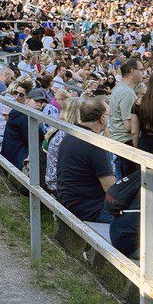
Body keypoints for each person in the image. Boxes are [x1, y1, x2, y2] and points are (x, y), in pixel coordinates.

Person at [56, 96, 115, 224]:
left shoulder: (70, 135)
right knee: (138, 220)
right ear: (102, 118)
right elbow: (110, 188)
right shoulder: (94, 144)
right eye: (109, 115)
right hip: (88, 208)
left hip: (67, 199)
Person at [108, 56, 143, 178]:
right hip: (126, 145)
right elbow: (129, 125)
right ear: (133, 71)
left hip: (120, 144)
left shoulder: (119, 88)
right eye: (141, 69)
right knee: (128, 190)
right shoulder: (127, 92)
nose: (143, 73)